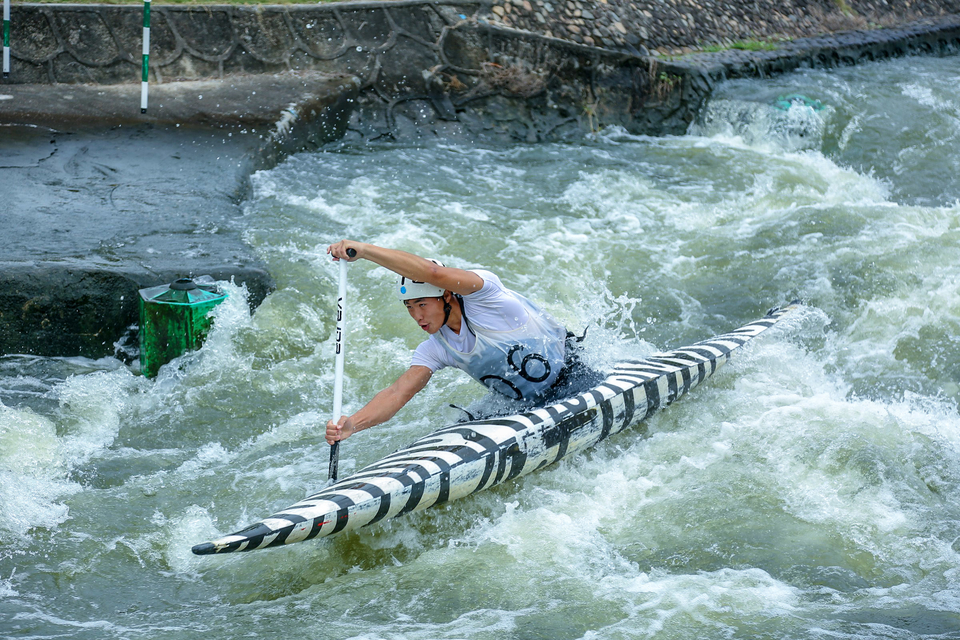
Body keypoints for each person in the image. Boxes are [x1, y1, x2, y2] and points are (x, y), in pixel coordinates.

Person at [324, 240, 594, 445]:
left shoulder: (487, 297)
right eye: (409, 307)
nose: (417, 316)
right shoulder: (437, 347)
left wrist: (365, 250)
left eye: (422, 304)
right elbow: (398, 393)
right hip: (519, 406)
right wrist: (352, 425)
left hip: (574, 374)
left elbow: (433, 272)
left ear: (447, 296)